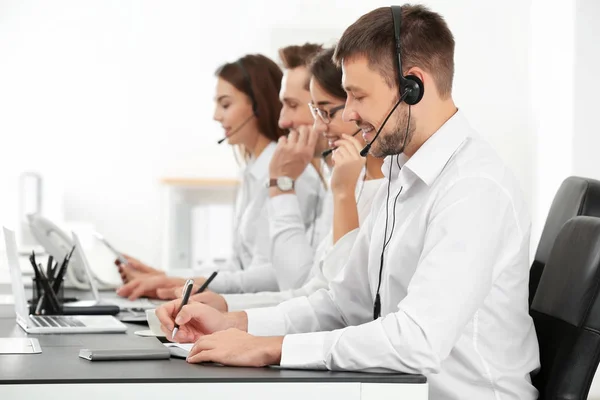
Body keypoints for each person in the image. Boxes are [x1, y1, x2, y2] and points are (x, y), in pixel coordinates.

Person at [156, 5, 540, 400]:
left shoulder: (473, 189)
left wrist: (272, 348)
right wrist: (233, 323)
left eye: (357, 95)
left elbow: (417, 339)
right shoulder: (400, 173)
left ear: (414, 86)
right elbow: (342, 305)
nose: (350, 112)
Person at [159, 47, 385, 311]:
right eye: (313, 111)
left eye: (321, 110)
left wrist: (283, 185)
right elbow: (311, 291)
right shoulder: (339, 181)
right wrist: (223, 306)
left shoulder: (333, 183)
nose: (283, 121)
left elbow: (307, 289)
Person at [117, 53, 323, 299]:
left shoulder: (292, 175)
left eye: (225, 104)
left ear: (258, 105)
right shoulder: (253, 170)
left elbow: (274, 276)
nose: (216, 115)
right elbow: (239, 266)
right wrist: (168, 277)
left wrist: (183, 284)